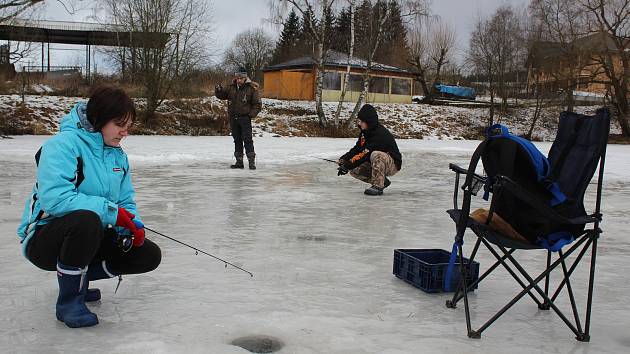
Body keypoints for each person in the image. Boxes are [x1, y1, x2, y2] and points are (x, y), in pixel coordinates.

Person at [17, 86, 161, 328]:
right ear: (99, 119)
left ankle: (77, 279)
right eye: (119, 123)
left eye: (129, 125)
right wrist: (111, 212)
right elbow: (56, 199)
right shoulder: (62, 145)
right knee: (87, 220)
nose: (125, 131)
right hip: (44, 238)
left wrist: (130, 224)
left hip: (88, 235)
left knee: (147, 254)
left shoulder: (118, 156)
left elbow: (124, 200)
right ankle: (69, 302)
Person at [337, 104, 402, 195]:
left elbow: (365, 153)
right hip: (373, 159)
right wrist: (344, 159)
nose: (359, 124)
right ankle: (383, 181)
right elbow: (358, 149)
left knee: (376, 154)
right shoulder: (365, 132)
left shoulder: (380, 134)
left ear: (369, 121)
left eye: (361, 121)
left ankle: (378, 186)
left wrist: (348, 165)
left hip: (392, 163)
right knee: (355, 170)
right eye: (358, 121)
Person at [215, 68, 262, 170]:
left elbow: (257, 105)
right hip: (233, 118)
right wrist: (218, 90)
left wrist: (250, 115)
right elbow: (222, 95)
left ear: (245, 78)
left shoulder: (251, 88)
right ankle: (239, 162)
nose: (239, 80)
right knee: (237, 140)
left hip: (245, 118)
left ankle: (251, 162)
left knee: (247, 139)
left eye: (241, 78)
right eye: (237, 78)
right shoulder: (231, 88)